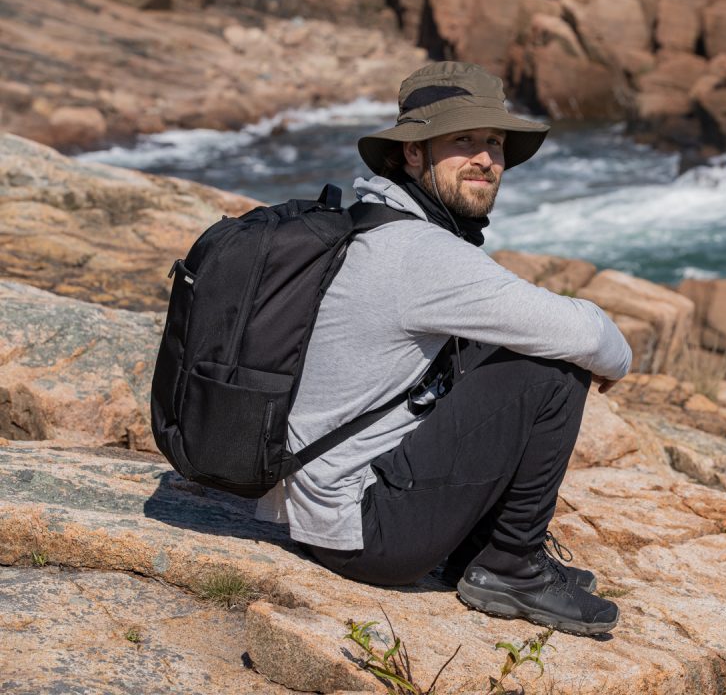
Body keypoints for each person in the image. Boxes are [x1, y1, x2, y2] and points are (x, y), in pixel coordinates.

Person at [255, 61, 632, 636]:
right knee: (553, 370)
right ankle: (510, 566)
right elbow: (590, 336)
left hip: (321, 505)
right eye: (464, 140)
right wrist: (610, 361)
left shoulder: (368, 223)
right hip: (363, 531)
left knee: (498, 345)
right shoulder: (420, 253)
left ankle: (475, 551)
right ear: (412, 153)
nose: (487, 159)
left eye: (495, 143)